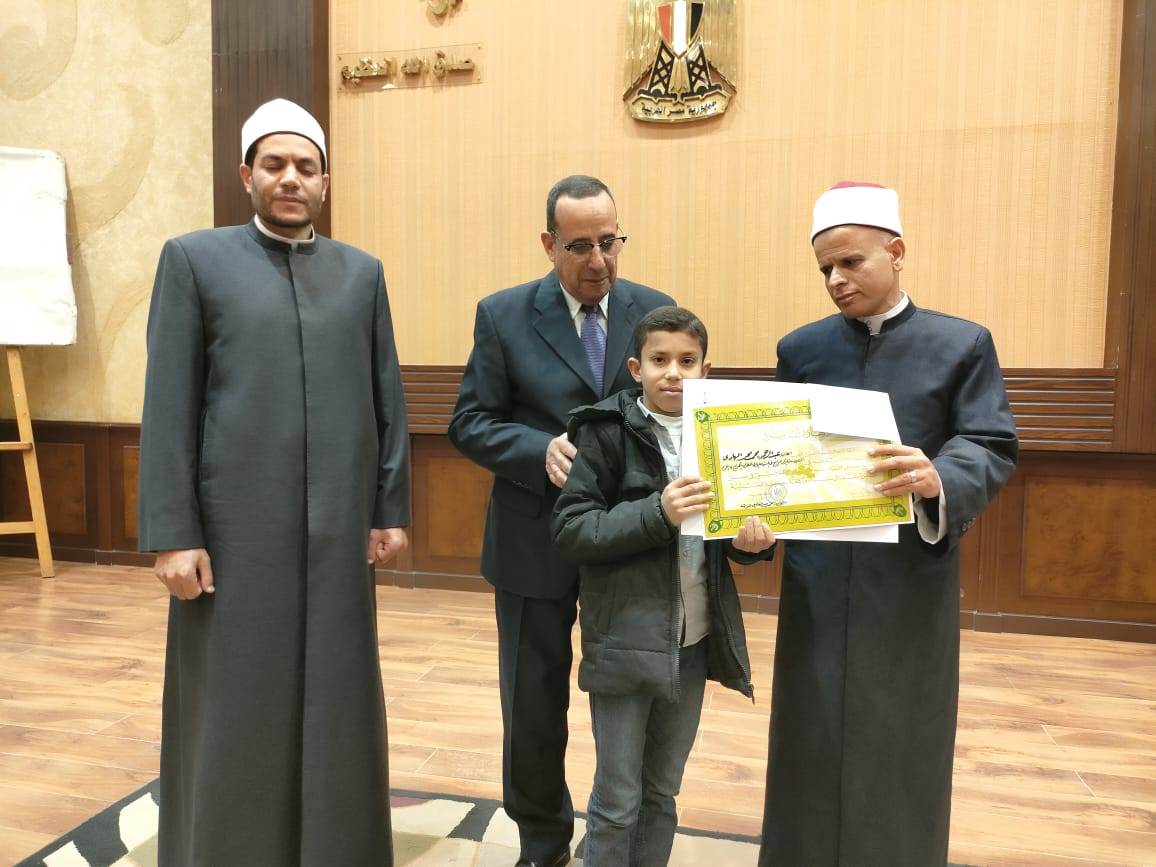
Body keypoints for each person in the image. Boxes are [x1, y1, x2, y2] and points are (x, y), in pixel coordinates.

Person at [138, 98, 411, 866]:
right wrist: (173, 533)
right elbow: (168, 405)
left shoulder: (361, 274)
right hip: (231, 536)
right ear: (246, 175)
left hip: (338, 534)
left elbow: (385, 396)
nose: (291, 178)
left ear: (325, 181)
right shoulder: (193, 261)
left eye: (306, 166)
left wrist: (388, 506)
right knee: (233, 700)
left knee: (338, 695)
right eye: (275, 164)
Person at [758, 182, 1019, 866]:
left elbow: (989, 441)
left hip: (907, 579)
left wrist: (939, 476)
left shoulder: (962, 344)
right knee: (809, 729)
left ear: (896, 251)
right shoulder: (801, 349)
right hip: (817, 578)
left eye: (851, 262)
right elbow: (774, 454)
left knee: (903, 733)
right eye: (825, 268)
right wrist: (752, 520)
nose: (836, 280)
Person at [448, 175, 674, 867]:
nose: (598, 260)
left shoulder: (654, 310)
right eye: (580, 246)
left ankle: (617, 836)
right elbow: (470, 421)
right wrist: (536, 449)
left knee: (627, 701)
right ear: (549, 244)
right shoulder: (503, 315)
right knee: (533, 706)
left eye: (610, 241)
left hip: (627, 541)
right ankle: (542, 841)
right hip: (533, 541)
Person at [552, 306, 775, 866]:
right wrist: (658, 512)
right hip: (624, 641)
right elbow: (572, 528)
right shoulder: (604, 430)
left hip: (694, 640)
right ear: (636, 368)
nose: (673, 372)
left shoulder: (727, 432)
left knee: (662, 792)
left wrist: (753, 542)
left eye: (687, 361)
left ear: (706, 369)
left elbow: (733, 533)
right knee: (617, 800)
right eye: (659, 360)